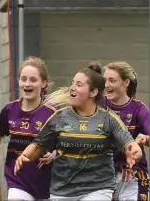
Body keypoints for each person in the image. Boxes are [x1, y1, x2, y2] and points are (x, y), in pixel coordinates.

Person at [15, 63, 143, 201]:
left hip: (98, 189)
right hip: (62, 191)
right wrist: (26, 155)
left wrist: (134, 153)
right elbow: (38, 145)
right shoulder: (59, 117)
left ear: (93, 92)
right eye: (72, 83)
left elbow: (132, 145)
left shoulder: (108, 118)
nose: (72, 88)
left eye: (79, 84)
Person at [0, 56, 56, 200]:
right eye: (23, 79)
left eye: (33, 80)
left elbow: (64, 139)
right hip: (17, 179)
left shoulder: (52, 112)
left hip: (46, 181)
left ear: (44, 83)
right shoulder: (10, 110)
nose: (27, 84)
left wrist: (54, 154)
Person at [102, 61, 149, 201]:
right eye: (105, 80)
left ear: (126, 82)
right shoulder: (98, 106)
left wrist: (145, 139)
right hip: (102, 176)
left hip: (133, 176)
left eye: (112, 80)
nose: (106, 85)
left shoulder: (139, 109)